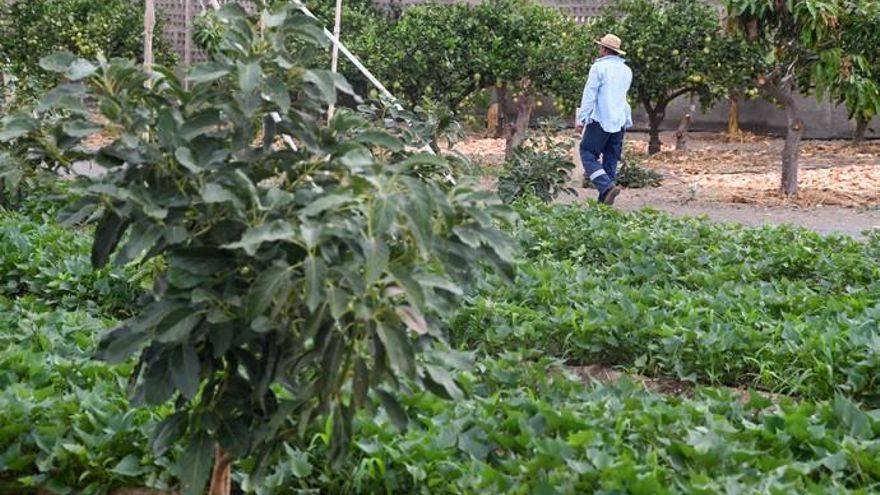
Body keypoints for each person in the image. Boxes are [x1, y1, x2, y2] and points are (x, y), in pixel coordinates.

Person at [576, 34, 633, 205]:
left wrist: (582, 119)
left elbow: (590, 95)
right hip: (620, 120)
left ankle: (606, 187)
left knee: (587, 153)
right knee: (611, 159)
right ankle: (604, 204)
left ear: (604, 49)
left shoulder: (599, 68)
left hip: (601, 119)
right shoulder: (626, 71)